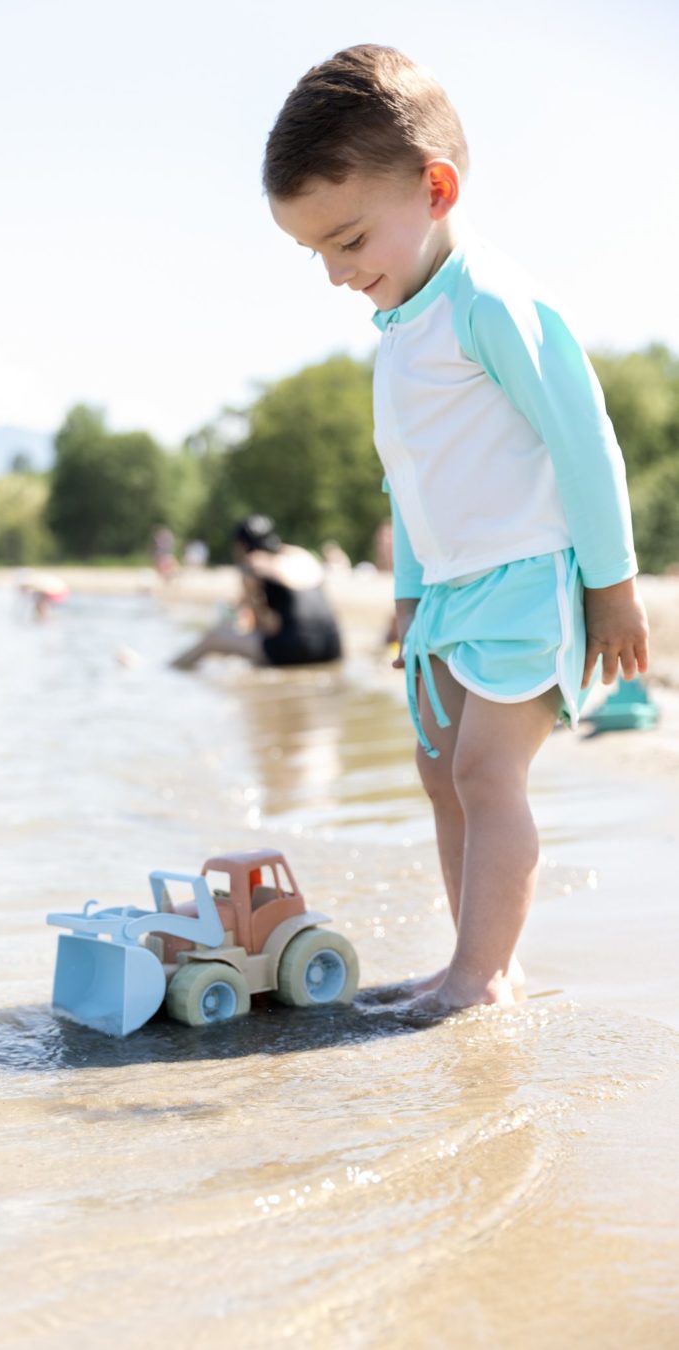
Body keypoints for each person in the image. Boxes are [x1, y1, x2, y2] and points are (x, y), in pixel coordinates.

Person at [264, 45, 649, 1018]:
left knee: (486, 772)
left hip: (527, 576)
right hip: (447, 592)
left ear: (435, 188)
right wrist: (406, 594)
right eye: (317, 254)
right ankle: (481, 962)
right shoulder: (400, 328)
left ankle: (477, 984)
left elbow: (583, 438)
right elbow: (410, 476)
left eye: (349, 241)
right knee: (439, 774)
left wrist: (611, 584)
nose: (338, 273)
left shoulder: (488, 302)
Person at [171, 515, 342, 670]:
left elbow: (267, 626)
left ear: (241, 546)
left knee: (212, 640)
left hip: (295, 653)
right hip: (332, 649)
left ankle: (171, 668)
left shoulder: (252, 566)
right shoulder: (300, 554)